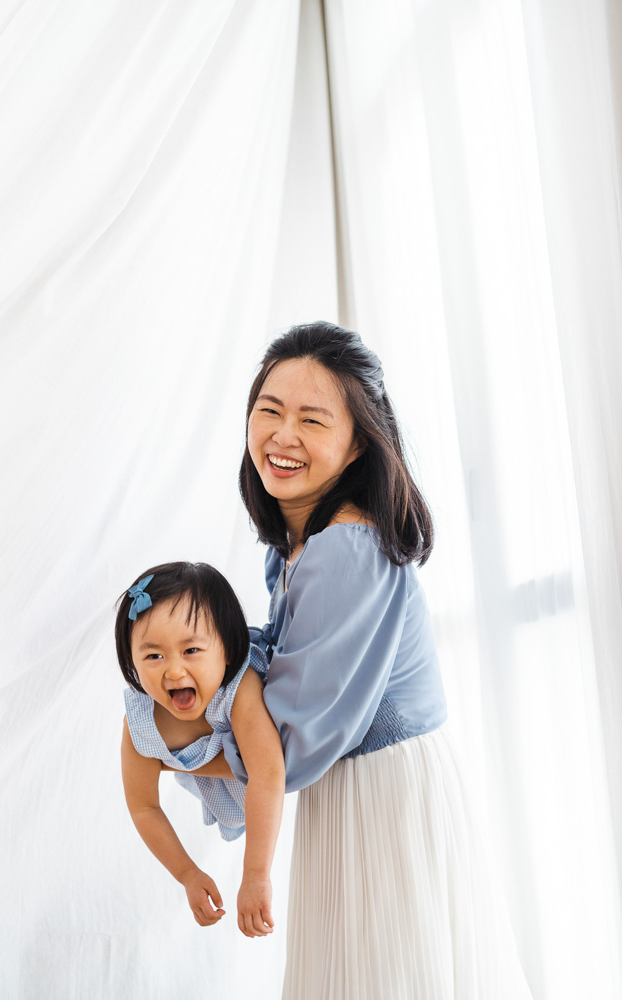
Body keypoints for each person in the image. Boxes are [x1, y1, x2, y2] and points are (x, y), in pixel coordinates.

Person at [207, 321, 534, 997]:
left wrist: (176, 748)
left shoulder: (344, 551)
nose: (282, 434)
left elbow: (292, 737)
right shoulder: (304, 542)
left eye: (311, 418)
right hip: (361, 788)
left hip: (380, 797)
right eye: (268, 410)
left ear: (357, 443)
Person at [115, 561, 285, 939]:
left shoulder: (238, 688)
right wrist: (187, 874)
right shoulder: (141, 723)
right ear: (131, 659)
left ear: (225, 649)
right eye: (153, 656)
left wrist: (256, 875)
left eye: (191, 649)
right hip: (232, 796)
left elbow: (268, 772)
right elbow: (143, 806)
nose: (173, 671)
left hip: (278, 795)